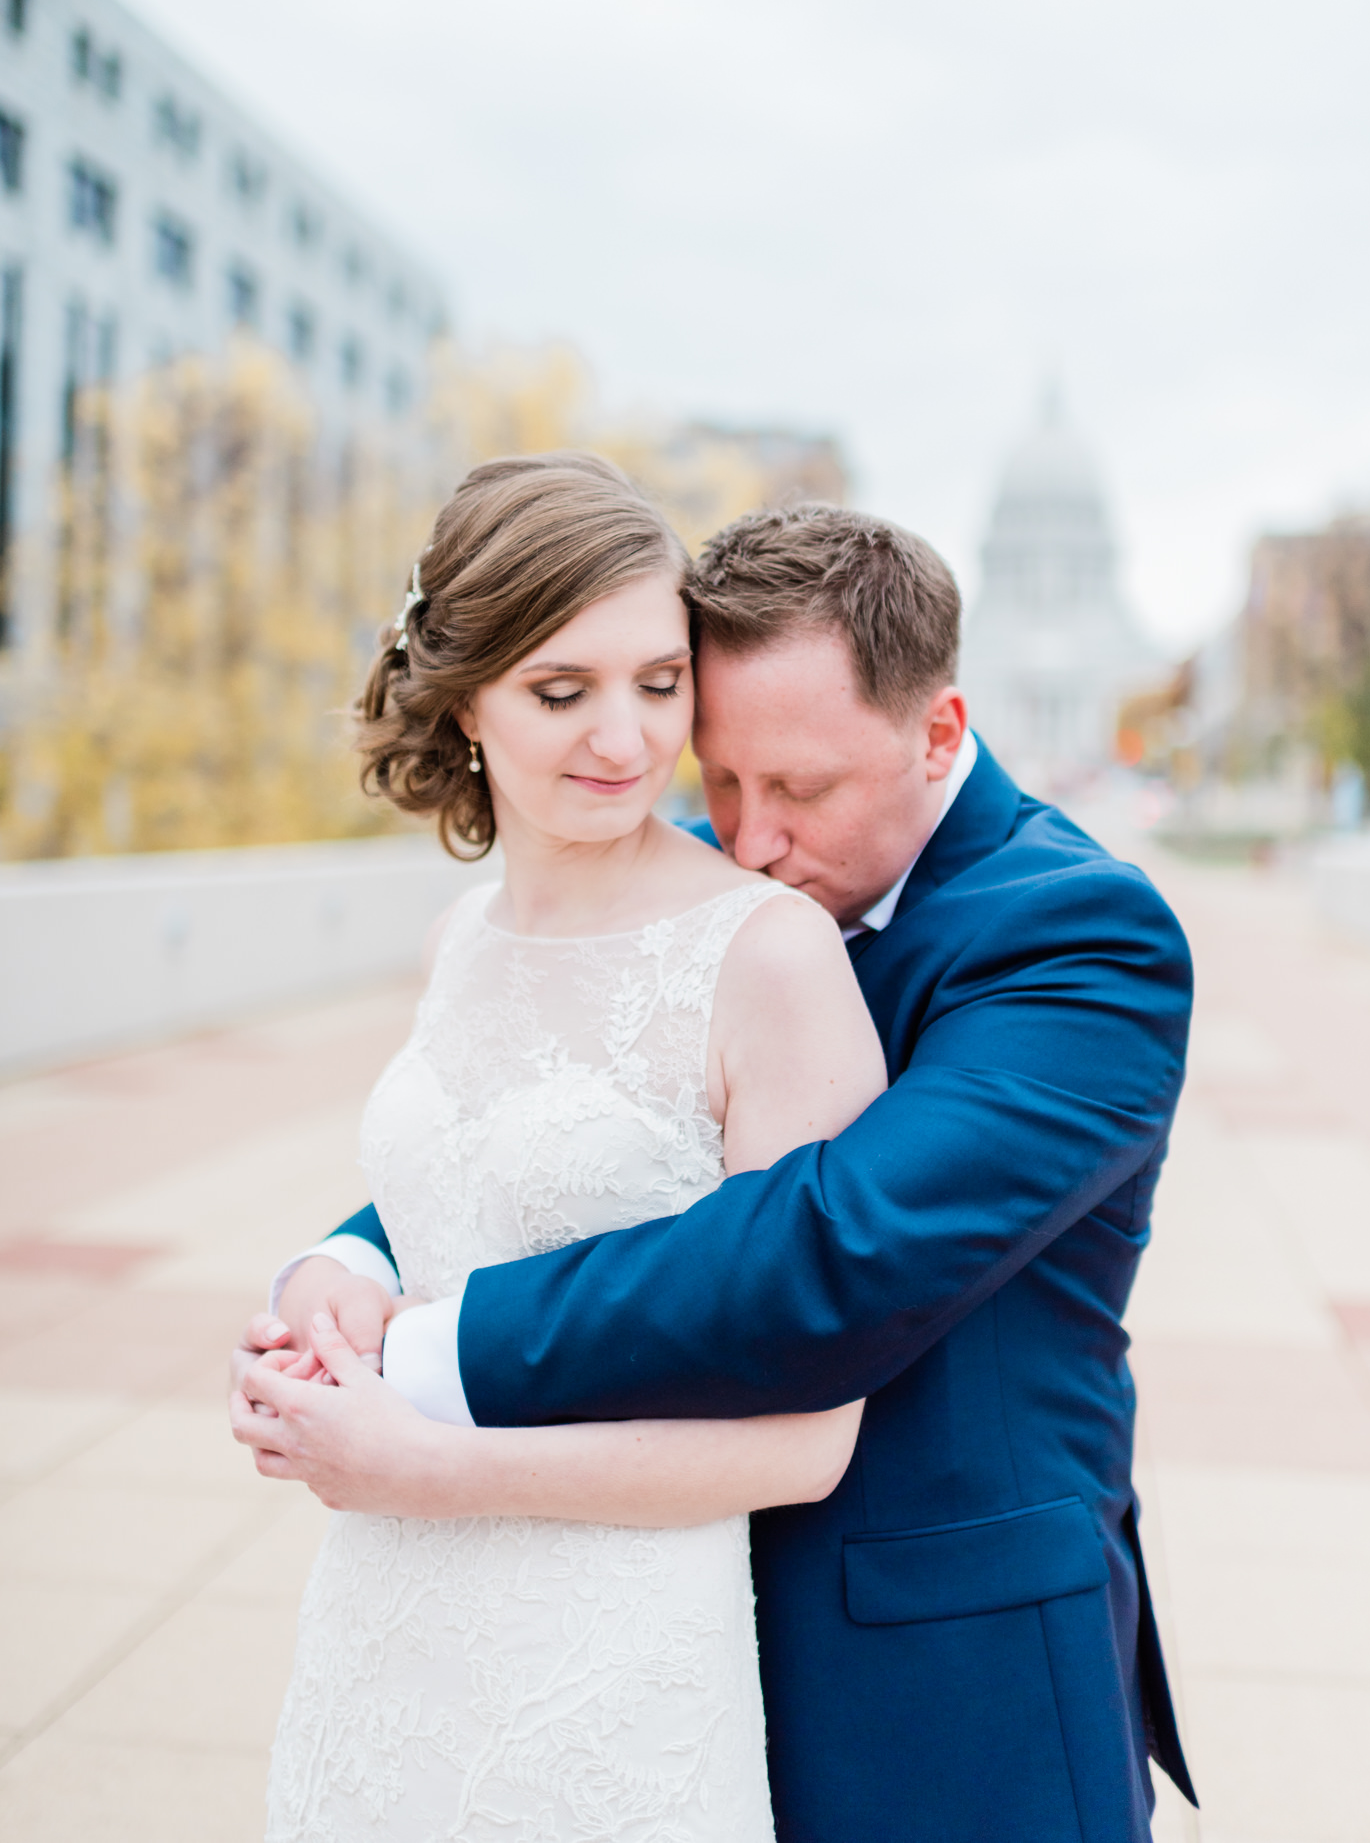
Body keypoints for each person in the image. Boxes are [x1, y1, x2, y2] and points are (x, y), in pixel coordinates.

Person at [237, 492, 1198, 1843]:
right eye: (720, 778)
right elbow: (568, 1127)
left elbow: (827, 1248)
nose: (743, 839)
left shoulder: (1078, 939)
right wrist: (355, 1255)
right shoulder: (708, 890)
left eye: (797, 789)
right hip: (641, 1616)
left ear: (938, 733)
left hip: (935, 1669)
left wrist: (421, 1356)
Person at [238, 452, 888, 1843]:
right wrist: (327, 1289)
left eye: (659, 683)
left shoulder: (767, 962)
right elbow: (453, 1224)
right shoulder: (455, 940)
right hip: (382, 1630)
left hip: (611, 1672)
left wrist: (428, 1469)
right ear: (462, 693)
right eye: (561, 689)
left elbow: (806, 1436)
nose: (625, 739)